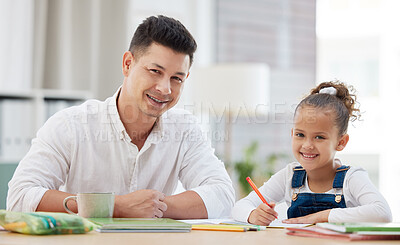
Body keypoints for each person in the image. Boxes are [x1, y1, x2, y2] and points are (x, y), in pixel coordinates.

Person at [7, 15, 235, 219]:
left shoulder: (185, 129)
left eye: (177, 78)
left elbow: (222, 195)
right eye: (155, 71)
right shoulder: (70, 125)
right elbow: (20, 197)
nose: (165, 89)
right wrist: (116, 207)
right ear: (128, 64)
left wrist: (155, 207)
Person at [231, 81, 392, 225]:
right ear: (292, 133)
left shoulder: (351, 178)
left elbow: (383, 213)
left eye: (319, 137)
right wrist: (252, 214)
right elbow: (239, 207)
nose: (307, 145)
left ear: (341, 142)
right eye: (300, 135)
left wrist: (322, 216)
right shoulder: (289, 176)